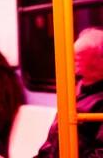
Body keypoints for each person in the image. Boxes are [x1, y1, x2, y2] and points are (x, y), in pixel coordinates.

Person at [35, 27, 103, 157]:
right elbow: (52, 143)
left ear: (99, 61)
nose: (72, 65)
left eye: (78, 59)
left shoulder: (99, 101)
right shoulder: (76, 90)